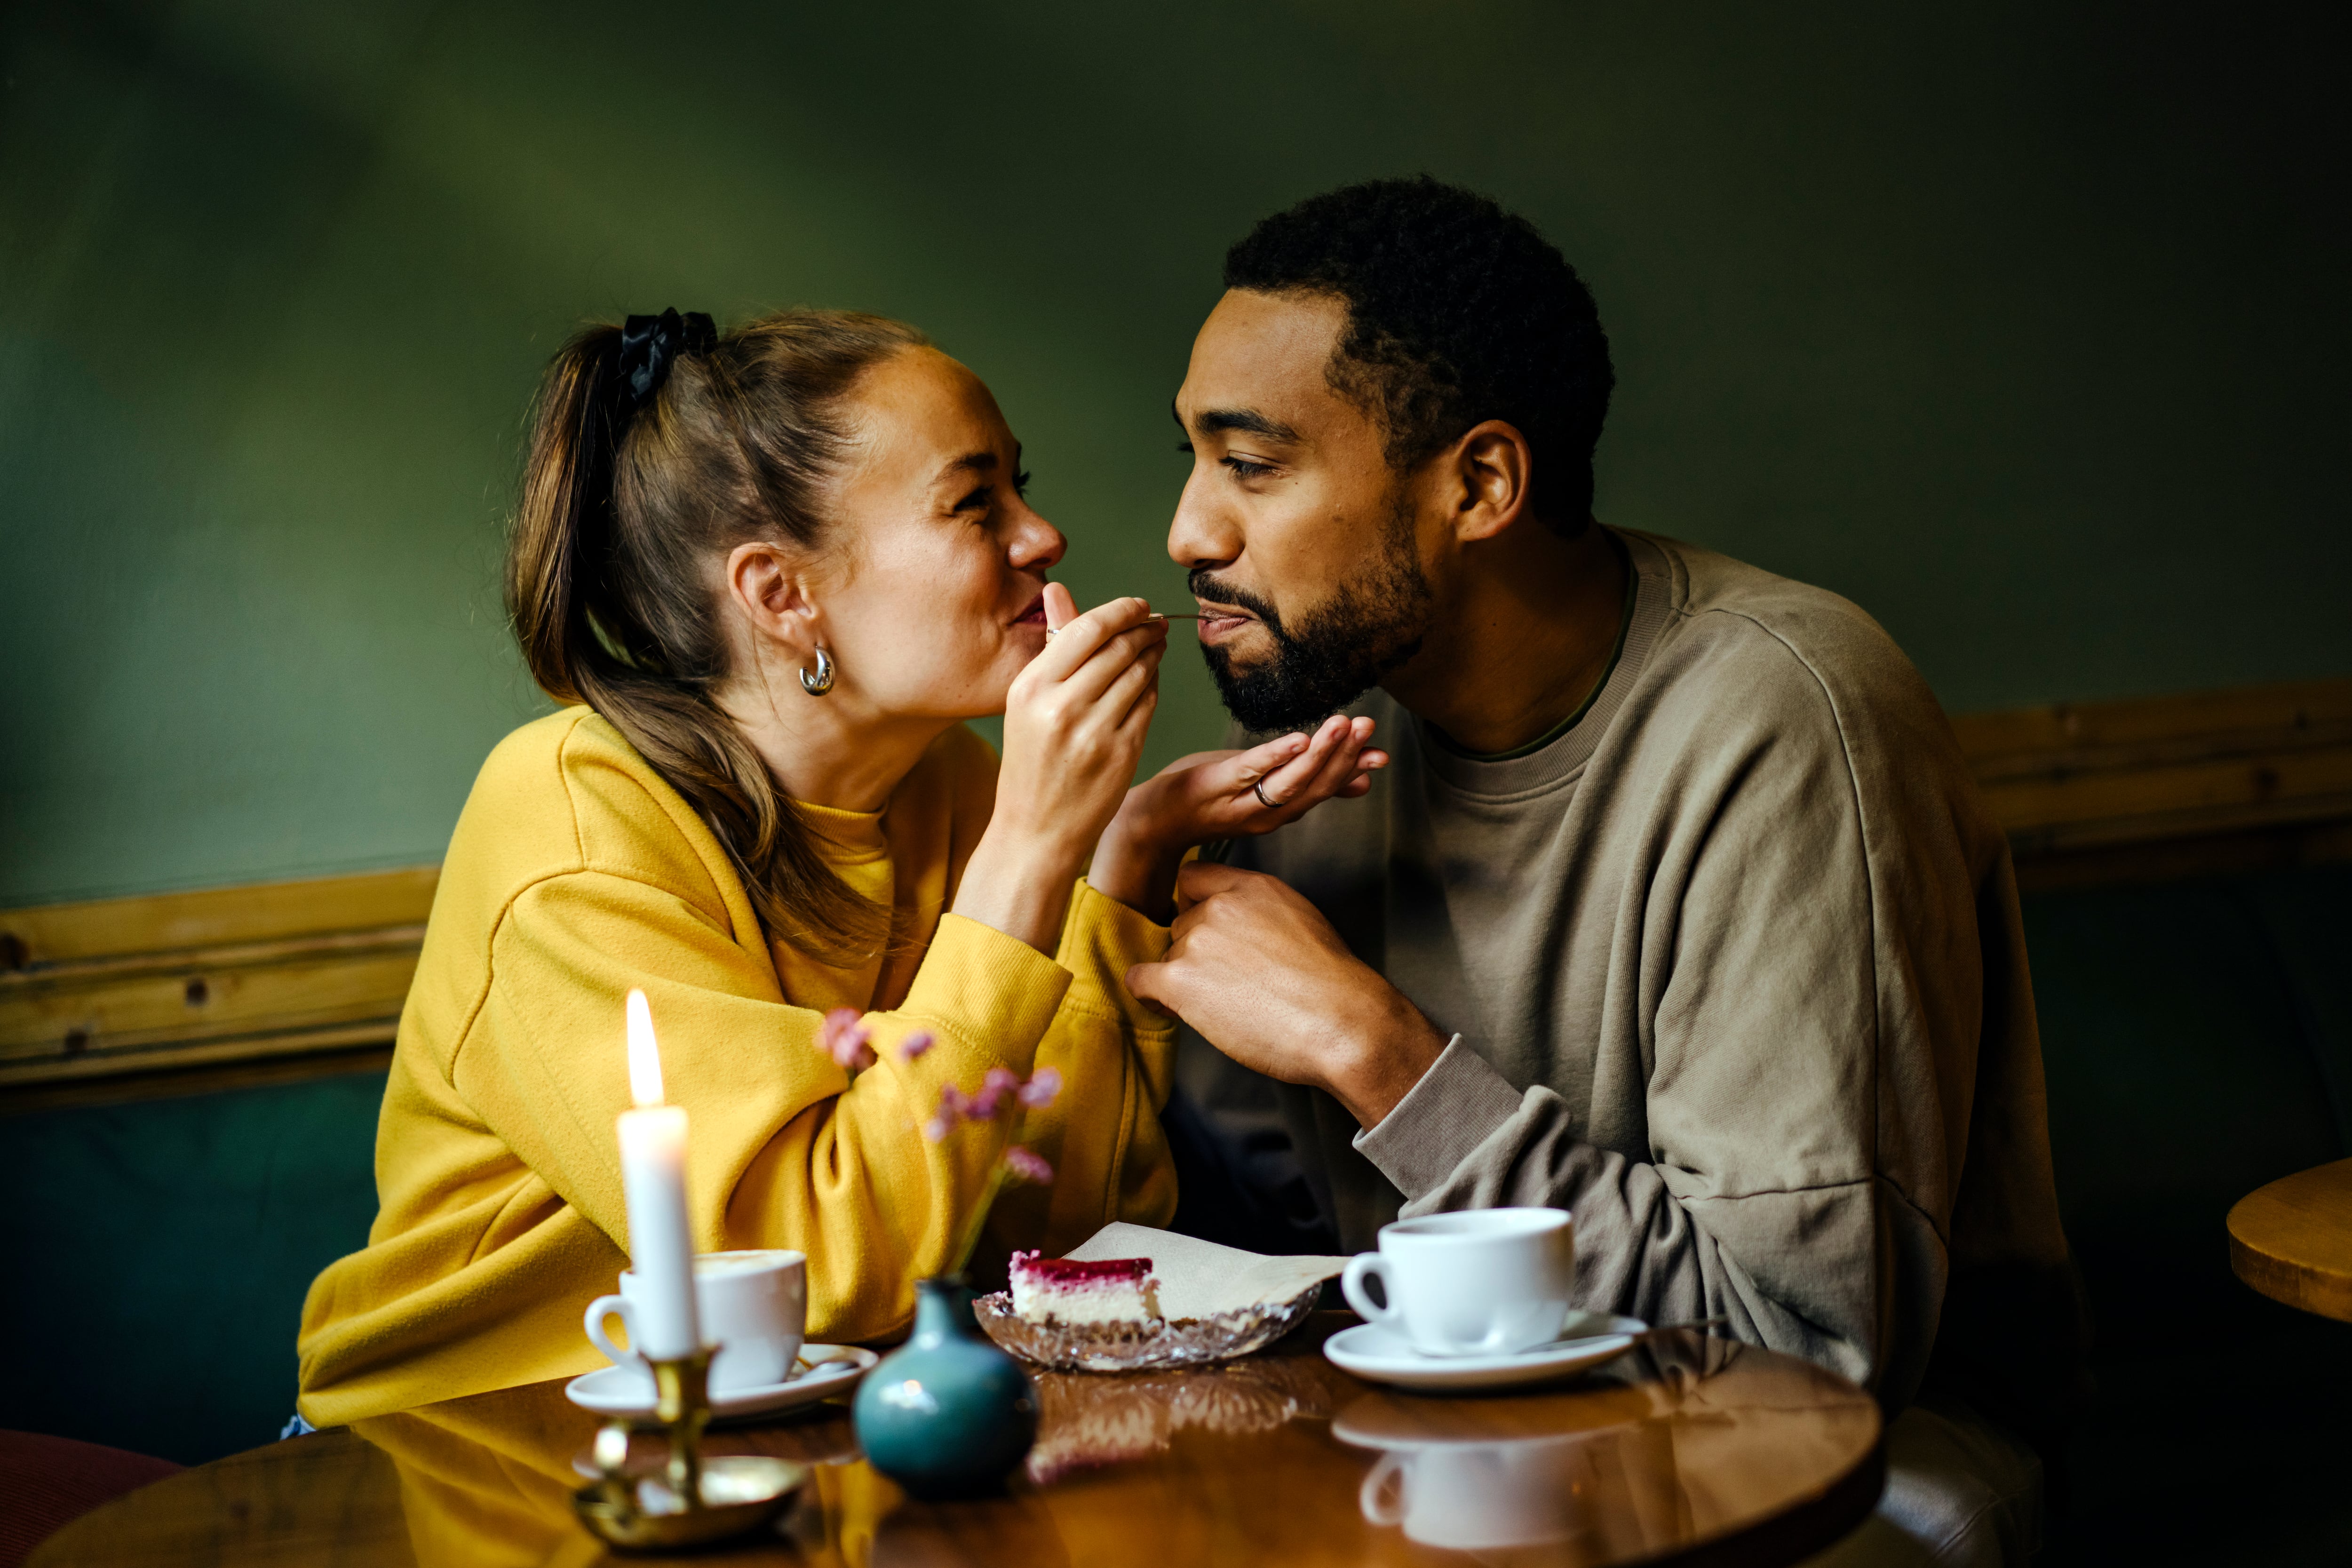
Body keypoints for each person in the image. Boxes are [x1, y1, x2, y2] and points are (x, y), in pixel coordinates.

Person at [1128, 181, 2087, 1565]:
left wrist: (1374, 1048)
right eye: (1193, 458)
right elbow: (1244, 1243)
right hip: (1438, 1434)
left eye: (1252, 464)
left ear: (1481, 485)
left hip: (1851, 1469)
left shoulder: (1785, 721)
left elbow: (1794, 1359)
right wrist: (1082, 879)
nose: (1188, 532)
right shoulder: (1321, 735)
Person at [296, 308, 1379, 1428]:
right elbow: (810, 1274)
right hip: (464, 1449)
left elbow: (1063, 1236)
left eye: (1021, 487)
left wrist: (1113, 862)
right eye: (974, 503)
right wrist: (1031, 850)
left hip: (798, 1440)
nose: (1041, 535)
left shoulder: (951, 783)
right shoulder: (572, 824)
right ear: (779, 593)